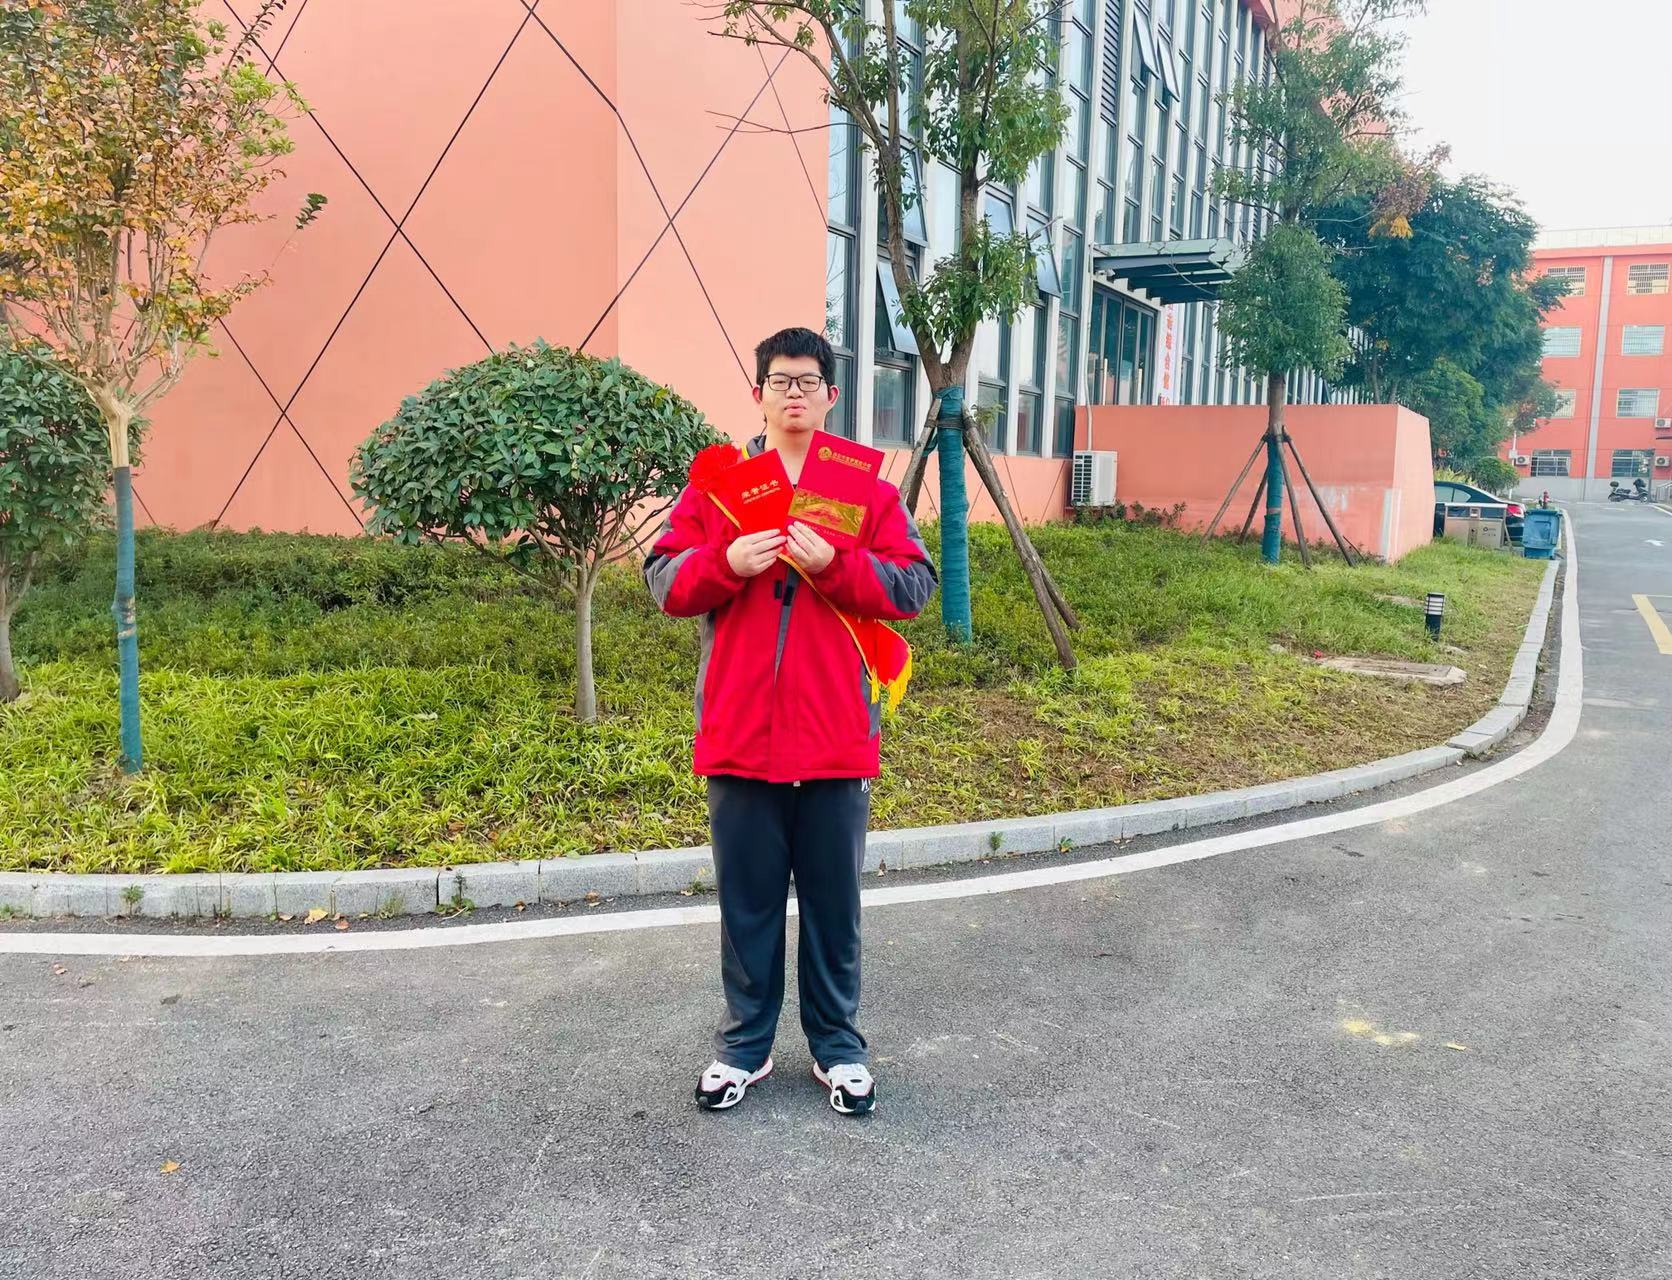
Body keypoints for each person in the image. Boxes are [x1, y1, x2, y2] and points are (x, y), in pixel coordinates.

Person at [643, 327, 937, 1116]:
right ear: (759, 394)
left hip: (837, 735)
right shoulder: (720, 489)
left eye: (808, 381)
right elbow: (664, 578)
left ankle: (839, 1048)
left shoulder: (866, 493)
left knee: (835, 909)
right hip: (740, 735)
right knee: (747, 907)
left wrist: (835, 565)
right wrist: (726, 563)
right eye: (780, 381)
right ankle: (744, 1048)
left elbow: (914, 585)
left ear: (831, 395)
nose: (794, 393)